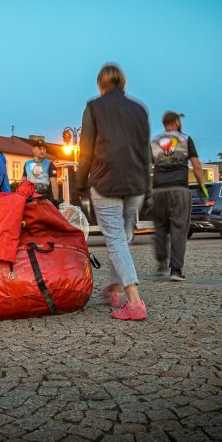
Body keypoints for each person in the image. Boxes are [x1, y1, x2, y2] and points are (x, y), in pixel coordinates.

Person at [76, 63, 150, 321]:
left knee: (116, 239)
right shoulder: (139, 109)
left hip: (106, 180)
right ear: (123, 83)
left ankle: (135, 302)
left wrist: (79, 183)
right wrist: (147, 187)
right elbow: (146, 151)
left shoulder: (94, 107)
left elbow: (86, 150)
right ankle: (115, 290)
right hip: (136, 182)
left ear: (100, 85)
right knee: (124, 237)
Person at [150, 111, 207, 282]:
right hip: (179, 189)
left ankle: (161, 261)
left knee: (160, 227)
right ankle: (175, 270)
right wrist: (202, 186)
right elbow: (196, 165)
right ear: (176, 121)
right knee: (179, 229)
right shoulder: (185, 139)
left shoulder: (153, 141)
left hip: (158, 190)